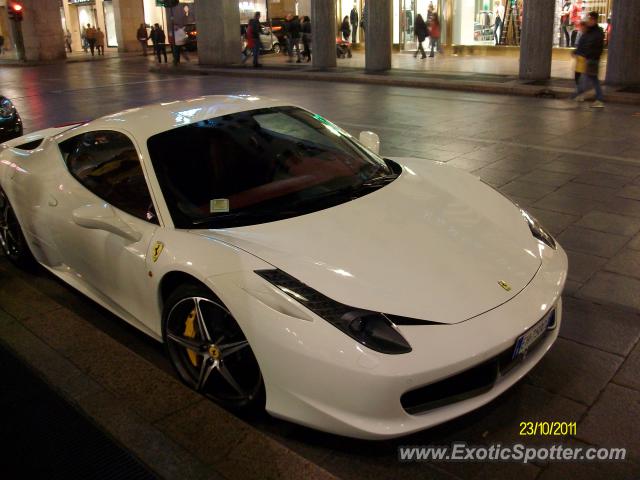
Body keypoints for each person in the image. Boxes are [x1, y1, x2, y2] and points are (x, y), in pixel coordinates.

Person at [572, 11, 605, 108]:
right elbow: (584, 44)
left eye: (590, 19)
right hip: (589, 59)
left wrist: (589, 55)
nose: (588, 21)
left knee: (589, 80)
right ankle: (581, 94)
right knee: (591, 79)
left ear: (594, 20)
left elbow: (595, 47)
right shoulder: (590, 31)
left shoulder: (597, 32)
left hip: (592, 59)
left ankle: (597, 99)